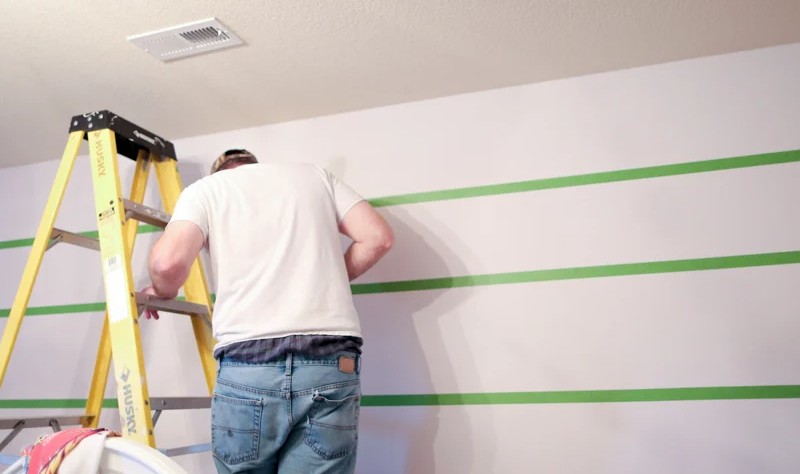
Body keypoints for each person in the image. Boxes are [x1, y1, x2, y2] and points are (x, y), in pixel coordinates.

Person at [140, 149, 394, 473]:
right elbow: (378, 239)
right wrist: (324, 277)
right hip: (331, 361)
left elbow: (166, 263)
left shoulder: (208, 190)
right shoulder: (314, 175)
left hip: (248, 362)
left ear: (222, 171)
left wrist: (162, 291)